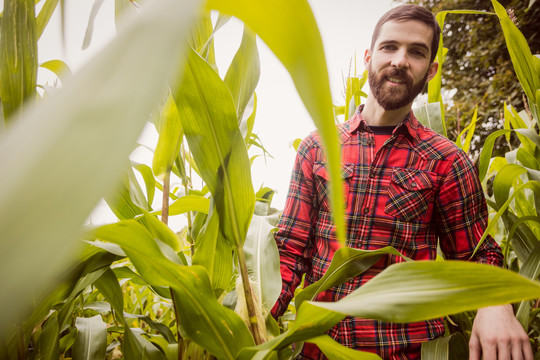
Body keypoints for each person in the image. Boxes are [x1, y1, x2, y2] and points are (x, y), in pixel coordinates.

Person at [271, 4, 533, 360]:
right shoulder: (317, 148)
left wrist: (496, 304)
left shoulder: (447, 161)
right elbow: (288, 252)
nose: (400, 60)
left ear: (431, 71)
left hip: (405, 353)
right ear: (369, 56)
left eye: (417, 52)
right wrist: (247, 322)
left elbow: (476, 254)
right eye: (389, 47)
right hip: (318, 350)